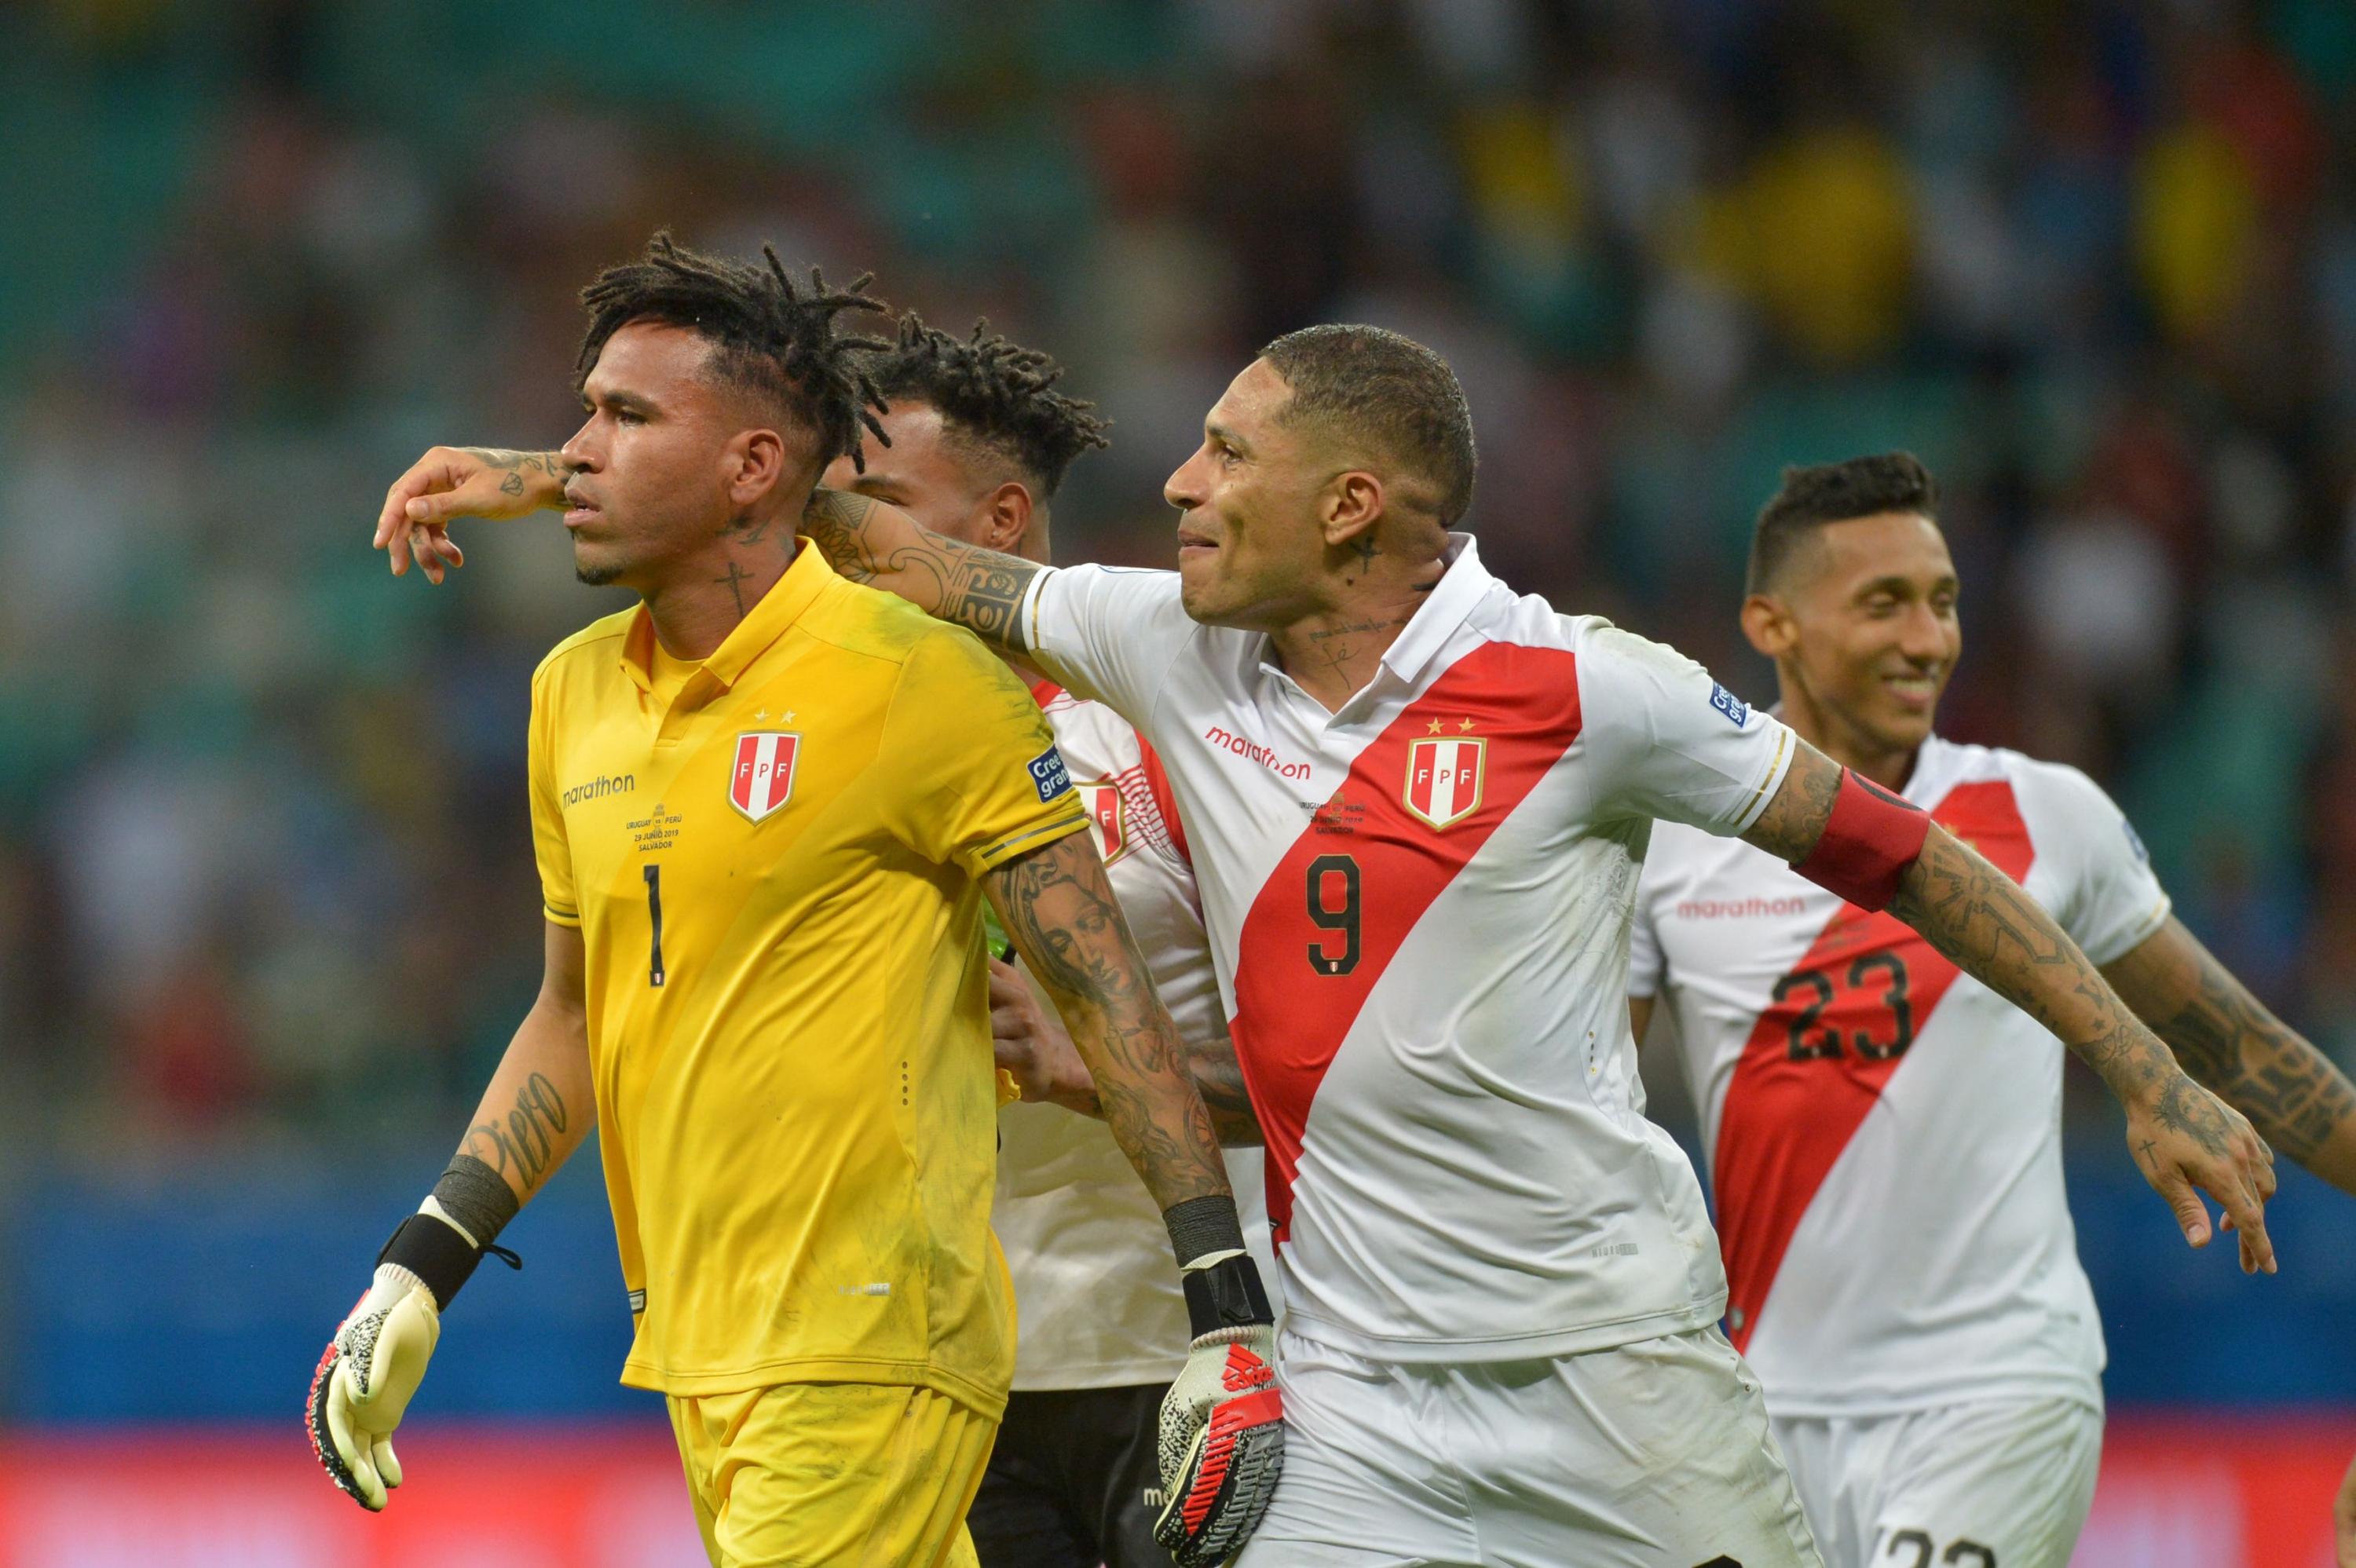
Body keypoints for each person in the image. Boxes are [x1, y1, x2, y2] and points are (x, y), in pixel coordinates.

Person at [382, 323, 2275, 1567]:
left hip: (1614, 1372)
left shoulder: (1582, 689)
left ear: (1352, 505)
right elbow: (866, 543)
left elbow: (1910, 862)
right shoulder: (1159, 643)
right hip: (1354, 1405)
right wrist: (547, 474)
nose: (1183, 489)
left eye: (1224, 456)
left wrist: (2150, 1066)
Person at [317, 234, 1282, 1568]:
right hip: (710, 1343)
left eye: (624, 416)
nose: (581, 446)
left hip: (899, 1337)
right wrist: (420, 1260)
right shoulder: (574, 693)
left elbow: (1136, 1004)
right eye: (582, 415)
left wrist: (1228, 1309)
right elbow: (575, 1008)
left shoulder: (979, 691)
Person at [1624, 452, 2356, 1568]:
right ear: (1771, 623)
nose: (1929, 639)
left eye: (1944, 600)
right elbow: (1592, 1110)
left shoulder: (2047, 815)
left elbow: (2240, 1047)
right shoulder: (1673, 844)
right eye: (1885, 603)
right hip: (1760, 1410)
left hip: (1997, 1391)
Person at [818, 313, 1276, 1568]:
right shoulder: (817, 755)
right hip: (929, 1381)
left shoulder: (1169, 742)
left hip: (1170, 1358)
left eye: (877, 508)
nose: (838, 543)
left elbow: (1323, 1080)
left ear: (1001, 521)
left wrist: (1089, 1070)